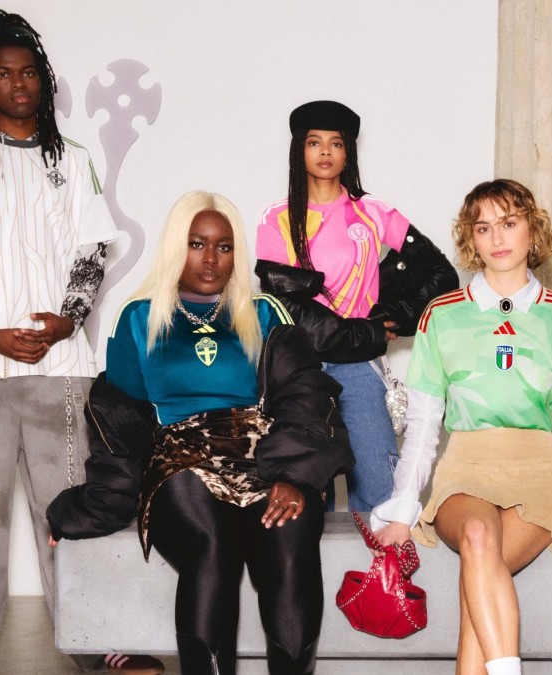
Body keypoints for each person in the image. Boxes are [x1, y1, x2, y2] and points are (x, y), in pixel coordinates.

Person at [46, 191, 353, 674]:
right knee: (212, 546)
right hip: (180, 458)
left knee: (291, 535)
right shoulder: (140, 316)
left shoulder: (266, 312)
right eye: (197, 244)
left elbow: (303, 396)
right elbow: (118, 423)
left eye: (224, 247)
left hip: (265, 455)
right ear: (176, 247)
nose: (211, 259)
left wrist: (295, 476)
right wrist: (89, 508)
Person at [0, 11, 162, 674]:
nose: (19, 84)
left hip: (62, 369)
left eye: (29, 73)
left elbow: (91, 255)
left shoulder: (72, 160)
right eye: (4, 74)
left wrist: (67, 320)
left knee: (73, 515)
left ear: (44, 81)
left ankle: (99, 646)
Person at [371, 179, 552, 675]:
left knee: (478, 577)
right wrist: (402, 507)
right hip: (466, 467)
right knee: (477, 538)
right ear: (471, 238)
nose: (497, 237)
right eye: (483, 227)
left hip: (539, 470)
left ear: (532, 228)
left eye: (508, 223)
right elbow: (423, 425)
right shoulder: (441, 315)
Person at [256, 99, 457, 513]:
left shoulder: (372, 211)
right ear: (299, 150)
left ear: (348, 152)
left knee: (381, 493)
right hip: (299, 368)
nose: (325, 152)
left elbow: (441, 274)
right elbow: (284, 306)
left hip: (358, 366)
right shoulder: (276, 218)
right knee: (308, 498)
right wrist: (361, 333)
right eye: (314, 142)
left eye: (336, 143)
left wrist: (394, 320)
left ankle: (378, 559)